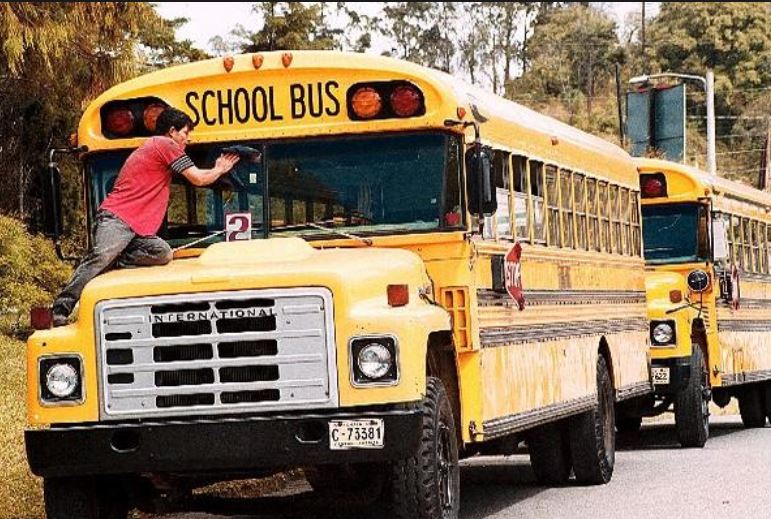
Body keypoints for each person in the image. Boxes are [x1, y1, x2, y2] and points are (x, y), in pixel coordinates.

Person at [52, 108, 240, 326]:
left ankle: (117, 259)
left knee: (162, 253)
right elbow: (198, 178)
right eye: (185, 132)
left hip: (136, 229)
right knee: (101, 257)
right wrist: (219, 168)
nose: (188, 138)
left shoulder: (157, 148)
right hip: (118, 218)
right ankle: (61, 307)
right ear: (172, 131)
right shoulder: (165, 144)